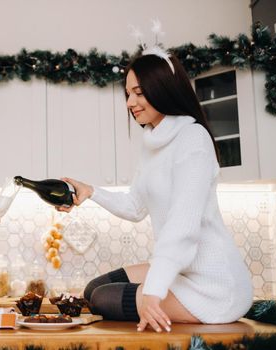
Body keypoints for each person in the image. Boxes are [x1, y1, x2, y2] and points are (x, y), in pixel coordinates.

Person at [59, 52, 253, 332]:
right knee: (94, 288)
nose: (129, 103)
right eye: (127, 93)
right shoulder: (152, 140)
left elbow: (182, 226)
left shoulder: (192, 138)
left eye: (139, 92)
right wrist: (91, 191)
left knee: (102, 298)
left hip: (214, 286)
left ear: (163, 88)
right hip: (181, 273)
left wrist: (153, 293)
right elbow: (135, 206)